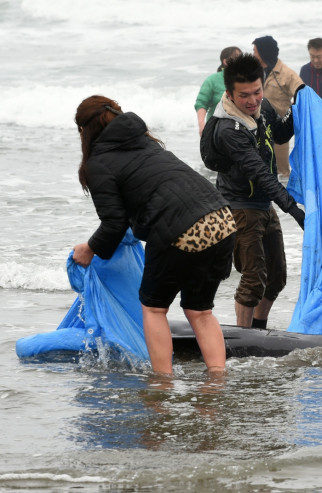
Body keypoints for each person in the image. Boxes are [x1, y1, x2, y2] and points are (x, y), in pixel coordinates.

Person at [72, 95, 237, 376]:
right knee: (200, 311)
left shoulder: (99, 162)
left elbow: (113, 224)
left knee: (154, 308)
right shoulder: (144, 141)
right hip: (222, 219)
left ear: (84, 131)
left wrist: (89, 248)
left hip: (182, 228)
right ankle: (217, 379)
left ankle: (162, 381)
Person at [200, 53, 305, 329]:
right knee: (253, 277)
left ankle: (258, 331)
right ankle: (243, 340)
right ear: (230, 94)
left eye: (257, 92)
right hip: (239, 209)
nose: (253, 100)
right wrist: (294, 209)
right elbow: (259, 173)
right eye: (244, 95)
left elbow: (280, 135)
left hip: (264, 205)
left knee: (277, 277)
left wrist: (299, 105)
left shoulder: (262, 107)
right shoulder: (228, 130)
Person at [252, 35, 304, 179]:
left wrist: (290, 117)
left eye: (255, 51)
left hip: (278, 131)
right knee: (260, 170)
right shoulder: (254, 72)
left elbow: (302, 94)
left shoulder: (286, 74)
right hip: (257, 130)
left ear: (263, 52)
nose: (253, 54)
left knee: (282, 172)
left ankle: (285, 200)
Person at [195, 46, 242, 136]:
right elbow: (201, 103)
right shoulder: (212, 80)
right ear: (225, 61)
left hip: (241, 130)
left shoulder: (247, 80)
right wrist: (202, 126)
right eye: (237, 58)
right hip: (216, 130)